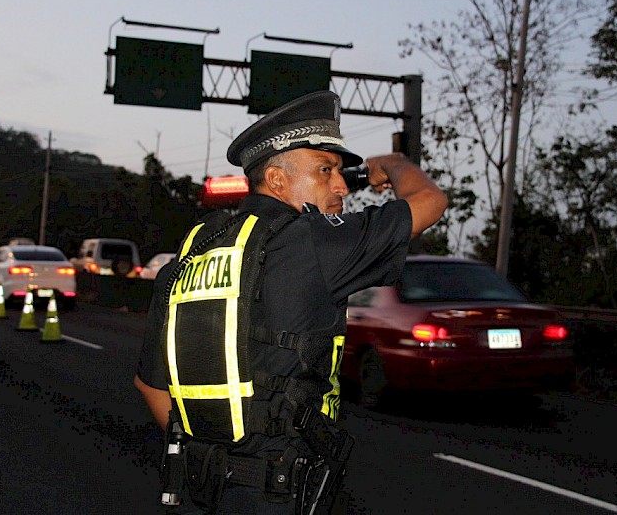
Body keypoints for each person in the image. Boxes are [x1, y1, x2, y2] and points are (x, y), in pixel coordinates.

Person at [134, 90, 447, 514]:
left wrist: (213, 451)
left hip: (206, 486)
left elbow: (151, 385)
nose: (341, 186)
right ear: (278, 180)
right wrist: (393, 164)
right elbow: (430, 202)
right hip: (282, 490)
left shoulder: (194, 249)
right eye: (325, 170)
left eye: (340, 171)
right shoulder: (311, 240)